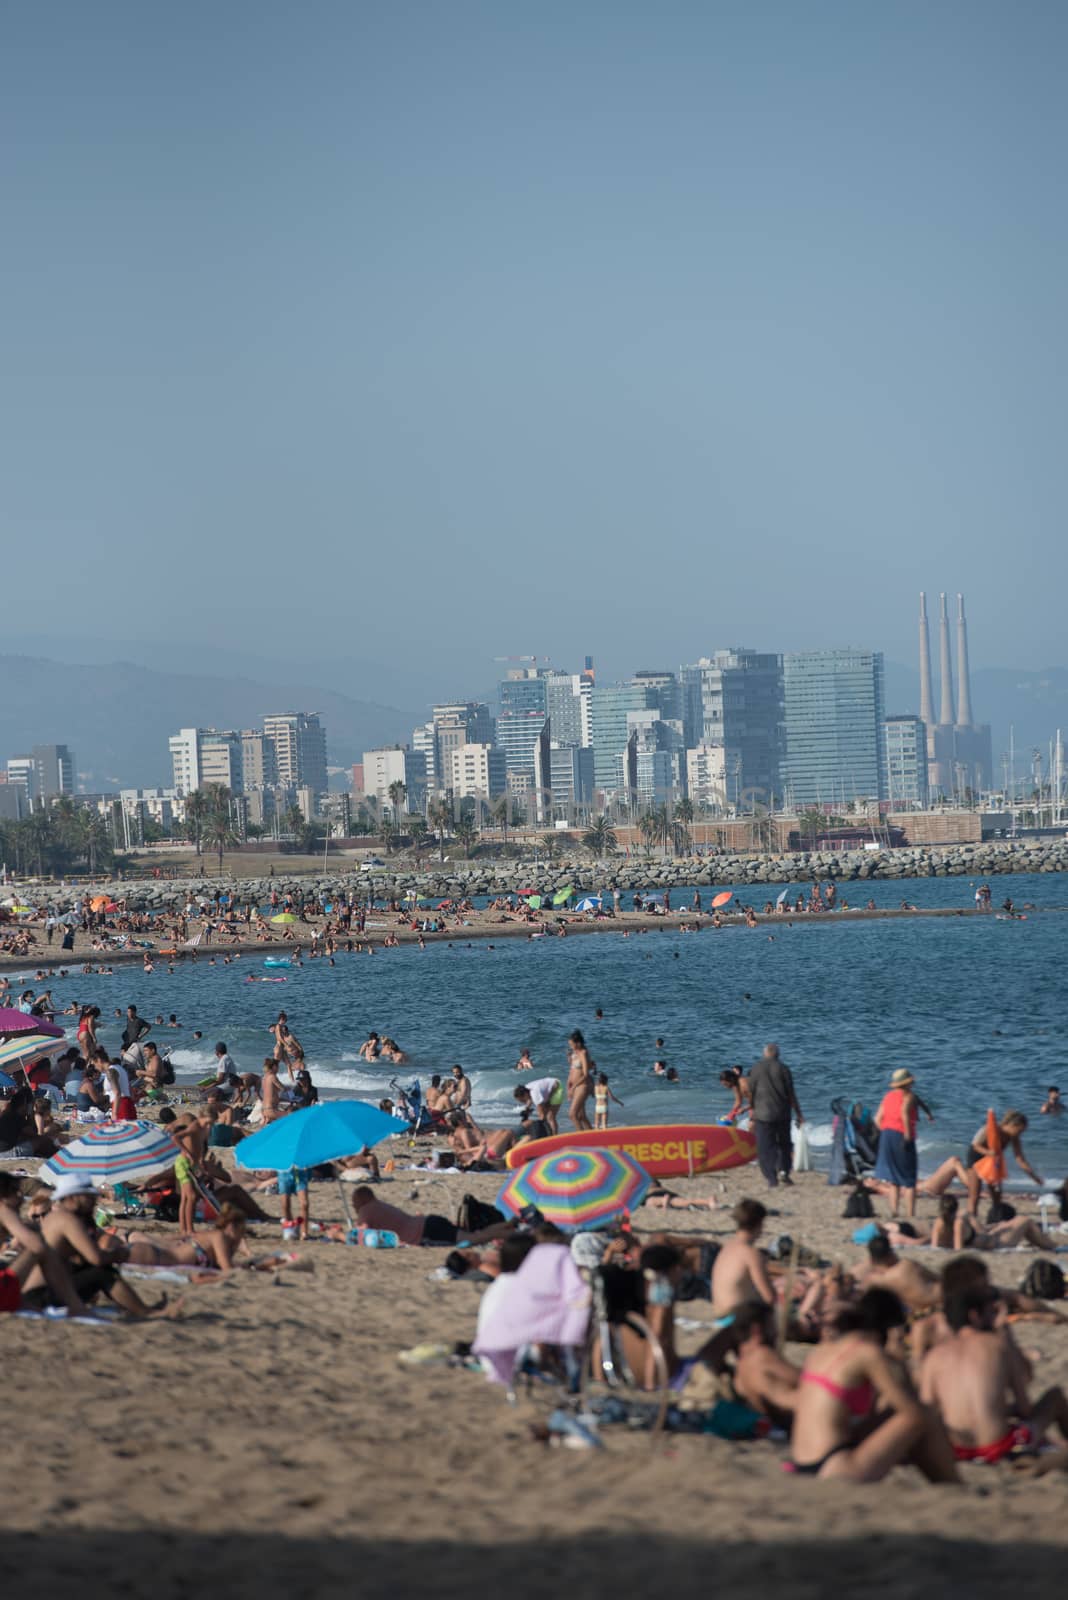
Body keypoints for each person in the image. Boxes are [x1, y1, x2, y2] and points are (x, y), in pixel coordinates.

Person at [921, 1282, 1068, 1463]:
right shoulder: (997, 1345)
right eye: (991, 1312)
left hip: (956, 1449)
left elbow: (928, 1412)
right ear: (975, 1316)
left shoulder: (935, 1355)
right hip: (1002, 1446)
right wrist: (1006, 1334)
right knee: (1055, 1397)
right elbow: (1025, 1409)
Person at [22, 1174, 174, 1318]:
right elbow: (96, 1258)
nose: (93, 1200)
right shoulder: (66, 1219)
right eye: (88, 1196)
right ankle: (145, 1312)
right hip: (40, 1295)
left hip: (43, 1290)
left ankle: (138, 1308)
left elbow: (80, 1258)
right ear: (73, 1198)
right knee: (102, 1272)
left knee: (96, 1270)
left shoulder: (62, 1217)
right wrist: (120, 1254)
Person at [348, 1186, 514, 1247]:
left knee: (474, 1239)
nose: (354, 1206)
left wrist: (341, 1234)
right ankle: (509, 1225)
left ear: (362, 1199)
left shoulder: (366, 1210)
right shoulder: (380, 1205)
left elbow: (361, 1235)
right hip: (429, 1222)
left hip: (426, 1232)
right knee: (474, 1235)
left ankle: (513, 1234)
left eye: (354, 1202)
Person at [873, 1069, 933, 1219]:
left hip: (887, 1135)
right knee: (909, 1178)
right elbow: (905, 1112)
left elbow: (877, 1119)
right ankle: (910, 1214)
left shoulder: (888, 1096)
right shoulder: (909, 1096)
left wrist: (928, 1113)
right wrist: (907, 1134)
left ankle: (894, 1211)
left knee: (893, 1179)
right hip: (902, 1135)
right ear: (909, 1083)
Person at [729, 1302, 801, 1427]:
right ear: (756, 1329)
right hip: (789, 1417)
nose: (775, 1331)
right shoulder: (761, 1355)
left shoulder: (741, 1361)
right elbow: (806, 1380)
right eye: (772, 1325)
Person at [748, 1043, 804, 1189]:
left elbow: (750, 1093)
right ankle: (784, 1171)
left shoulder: (756, 1069)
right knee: (785, 1144)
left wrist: (752, 1111)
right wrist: (799, 1114)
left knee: (765, 1146)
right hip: (782, 1113)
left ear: (765, 1054)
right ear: (777, 1055)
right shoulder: (784, 1069)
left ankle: (771, 1177)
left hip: (763, 1114)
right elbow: (791, 1095)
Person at [710, 1199, 774, 1322]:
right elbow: (769, 1298)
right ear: (759, 1224)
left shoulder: (727, 1248)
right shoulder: (751, 1254)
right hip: (737, 1320)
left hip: (720, 1317)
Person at [929, 1194, 1059, 1253]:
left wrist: (993, 1227)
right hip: (995, 1243)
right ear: (956, 1208)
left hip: (988, 1239)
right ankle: (1051, 1246)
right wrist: (972, 1218)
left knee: (1011, 1224)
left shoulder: (938, 1222)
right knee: (1026, 1221)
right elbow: (960, 1249)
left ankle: (1043, 1243)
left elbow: (935, 1247)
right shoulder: (960, 1221)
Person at [966, 1110, 1042, 1208]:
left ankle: (996, 1217)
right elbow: (975, 1145)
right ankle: (972, 1218)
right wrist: (988, 1153)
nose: (1020, 1134)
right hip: (976, 1158)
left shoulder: (1014, 1137)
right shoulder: (990, 1128)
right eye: (1019, 1131)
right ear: (1012, 1125)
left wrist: (1034, 1177)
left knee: (997, 1195)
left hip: (992, 1162)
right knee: (975, 1195)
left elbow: (1020, 1159)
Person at [566, 1030, 594, 1131]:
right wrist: (568, 1084)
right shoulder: (574, 1053)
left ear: (578, 1043)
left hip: (582, 1085)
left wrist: (573, 1087)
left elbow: (586, 1074)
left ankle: (582, 1140)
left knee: (572, 1114)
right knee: (581, 1116)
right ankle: (594, 1138)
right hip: (574, 1086)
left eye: (572, 1044)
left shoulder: (583, 1053)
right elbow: (572, 1070)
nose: (570, 1046)